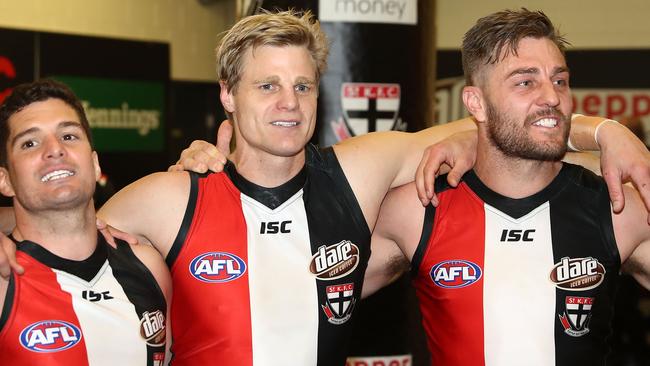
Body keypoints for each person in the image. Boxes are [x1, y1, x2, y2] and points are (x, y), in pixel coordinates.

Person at [1, 10, 647, 366]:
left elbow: (498, 122)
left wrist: (597, 129)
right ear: (227, 95)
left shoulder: (359, 175)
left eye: (303, 86)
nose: (288, 104)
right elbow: (54, 235)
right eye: (266, 86)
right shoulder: (172, 197)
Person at [366, 9, 650, 365]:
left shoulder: (619, 207)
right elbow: (299, 302)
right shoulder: (417, 209)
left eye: (559, 80)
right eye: (526, 82)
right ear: (476, 103)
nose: (552, 97)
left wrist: (606, 130)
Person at [0, 80, 171, 365]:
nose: (54, 150)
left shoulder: (148, 267)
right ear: (5, 180)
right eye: (30, 143)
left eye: (68, 136)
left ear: (94, 164)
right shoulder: (4, 280)